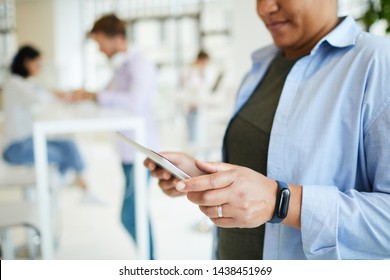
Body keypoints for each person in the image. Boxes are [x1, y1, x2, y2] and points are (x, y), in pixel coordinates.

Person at [145, 0, 390, 260]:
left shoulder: (378, 64)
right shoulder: (261, 67)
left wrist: (282, 202)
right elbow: (258, 172)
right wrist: (197, 174)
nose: (264, 8)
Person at [69, 14, 158, 259]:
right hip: (128, 152)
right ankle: (149, 261)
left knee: (130, 215)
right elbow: (107, 95)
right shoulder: (123, 66)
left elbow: (135, 102)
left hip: (143, 151)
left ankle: (152, 264)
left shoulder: (140, 64)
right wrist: (88, 94)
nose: (99, 49)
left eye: (101, 43)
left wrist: (95, 96)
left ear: (118, 39)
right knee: (136, 212)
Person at [2, 45, 95, 200]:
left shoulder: (27, 84)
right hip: (16, 148)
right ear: (26, 63)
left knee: (69, 145)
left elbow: (42, 93)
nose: (40, 68)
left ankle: (72, 184)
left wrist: (59, 94)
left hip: (30, 141)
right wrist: (56, 94)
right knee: (63, 155)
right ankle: (60, 187)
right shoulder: (13, 84)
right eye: (37, 64)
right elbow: (38, 98)